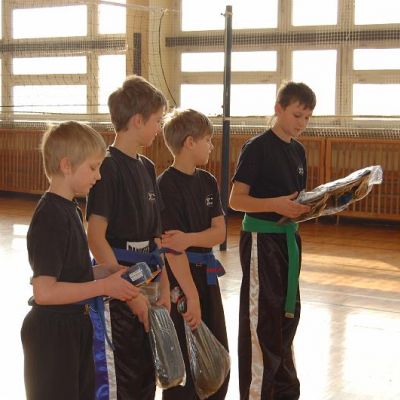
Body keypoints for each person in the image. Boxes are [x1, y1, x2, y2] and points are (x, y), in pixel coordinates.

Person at [21, 121, 138, 400]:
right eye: (93, 167)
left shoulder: (70, 208)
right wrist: (104, 287)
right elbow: (45, 292)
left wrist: (102, 272)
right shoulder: (50, 216)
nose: (98, 176)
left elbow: (67, 274)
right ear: (66, 165)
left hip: (74, 326)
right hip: (52, 335)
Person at [229, 82, 316, 400]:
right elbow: (236, 200)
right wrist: (276, 205)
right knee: (263, 321)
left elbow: (294, 199)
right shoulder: (257, 147)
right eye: (297, 115)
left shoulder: (298, 150)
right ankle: (258, 393)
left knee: (286, 317)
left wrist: (314, 204)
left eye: (307, 117)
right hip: (261, 241)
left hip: (289, 241)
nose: (302, 123)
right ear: (278, 109)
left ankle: (283, 391)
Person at [86, 75, 170, 400]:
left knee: (146, 375)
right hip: (117, 289)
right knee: (123, 378)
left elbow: (157, 239)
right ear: (137, 120)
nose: (159, 128)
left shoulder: (147, 167)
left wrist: (163, 287)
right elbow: (96, 237)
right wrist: (128, 293)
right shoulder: (107, 168)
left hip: (148, 282)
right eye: (157, 121)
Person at [157, 108, 229, 400]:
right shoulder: (165, 185)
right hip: (181, 279)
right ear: (189, 142)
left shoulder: (208, 181)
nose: (211, 146)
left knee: (217, 348)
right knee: (185, 355)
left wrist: (189, 239)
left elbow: (219, 233)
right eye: (208, 140)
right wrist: (191, 294)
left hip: (207, 278)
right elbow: (172, 247)